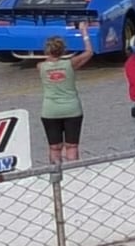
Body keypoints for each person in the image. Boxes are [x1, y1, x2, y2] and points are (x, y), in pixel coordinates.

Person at [38, 25, 96, 163]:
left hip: (50, 110)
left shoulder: (41, 66)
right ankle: (73, 173)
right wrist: (84, 32)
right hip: (71, 108)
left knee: (54, 147)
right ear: (63, 50)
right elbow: (89, 52)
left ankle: (56, 174)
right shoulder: (70, 64)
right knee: (72, 146)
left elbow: (48, 61)